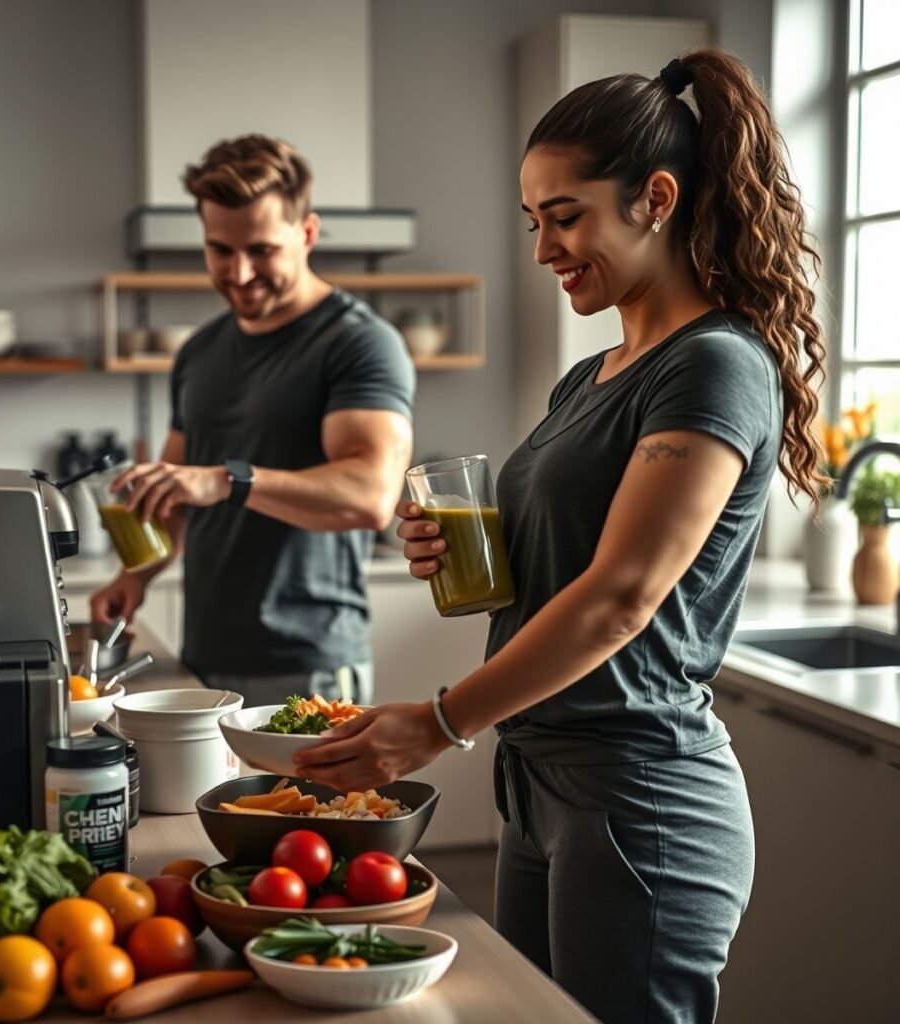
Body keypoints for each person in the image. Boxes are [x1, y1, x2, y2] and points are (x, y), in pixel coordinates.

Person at [294, 50, 827, 1023]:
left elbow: (623, 595)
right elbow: (570, 558)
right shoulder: (589, 378)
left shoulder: (714, 365)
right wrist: (465, 548)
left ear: (655, 199)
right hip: (539, 783)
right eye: (532, 220)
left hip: (638, 794)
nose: (543, 249)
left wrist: (439, 721)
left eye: (566, 216)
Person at [90, 134, 415, 707]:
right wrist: (134, 576)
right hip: (206, 656)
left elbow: (370, 496)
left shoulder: (359, 343)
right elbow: (174, 495)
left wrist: (227, 480)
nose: (239, 273)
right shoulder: (199, 352)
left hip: (308, 665)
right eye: (220, 249)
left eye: (262, 250)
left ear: (306, 233)